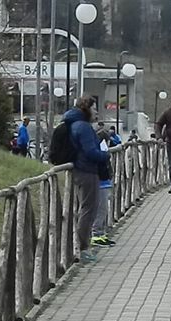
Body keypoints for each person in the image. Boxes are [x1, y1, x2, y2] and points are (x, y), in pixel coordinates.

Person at [63, 96, 111, 263]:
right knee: (89, 209)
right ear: (86, 108)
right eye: (94, 108)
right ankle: (82, 248)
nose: (96, 112)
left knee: (85, 208)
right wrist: (105, 155)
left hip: (81, 169)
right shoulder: (83, 127)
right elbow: (90, 151)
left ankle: (80, 246)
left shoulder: (75, 124)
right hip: (87, 170)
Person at [92, 139, 116, 248]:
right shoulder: (96, 148)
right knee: (101, 208)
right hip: (100, 181)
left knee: (104, 208)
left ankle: (101, 233)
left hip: (104, 181)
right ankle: (96, 234)